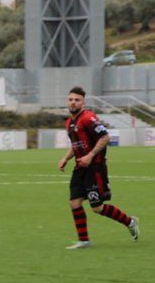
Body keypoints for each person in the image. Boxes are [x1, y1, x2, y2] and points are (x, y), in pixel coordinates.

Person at [58, 86, 139, 249]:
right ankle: (84, 240)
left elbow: (105, 137)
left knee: (97, 208)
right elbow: (76, 145)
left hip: (95, 168)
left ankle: (130, 222)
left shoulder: (88, 118)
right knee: (74, 202)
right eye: (71, 99)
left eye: (77, 100)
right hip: (79, 167)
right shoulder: (69, 122)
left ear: (83, 102)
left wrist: (90, 156)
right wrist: (65, 158)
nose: (73, 102)